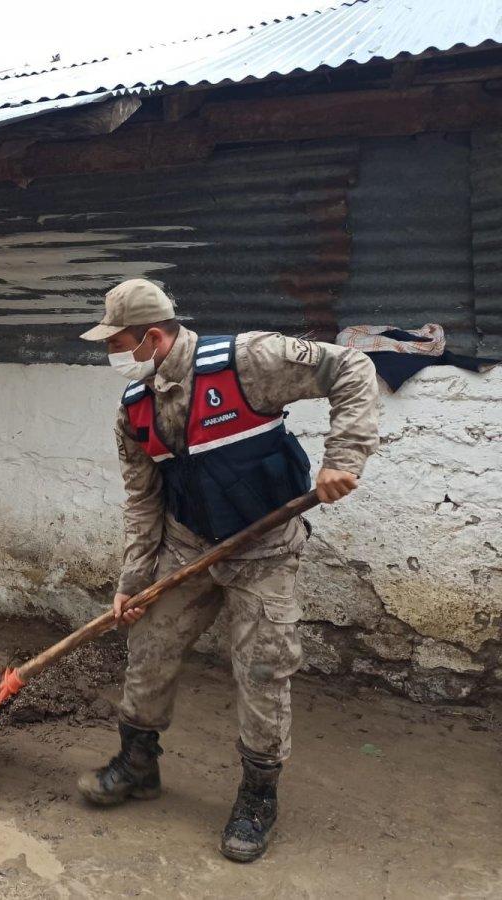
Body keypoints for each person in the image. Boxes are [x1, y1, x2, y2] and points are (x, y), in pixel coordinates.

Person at [77, 279, 379, 862]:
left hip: (264, 546)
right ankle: (138, 763)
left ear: (154, 337)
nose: (111, 355)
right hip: (190, 547)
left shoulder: (248, 361)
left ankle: (258, 796)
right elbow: (143, 502)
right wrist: (132, 585)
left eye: (118, 343)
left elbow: (353, 368)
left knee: (263, 667)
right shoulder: (135, 409)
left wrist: (342, 460)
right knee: (150, 644)